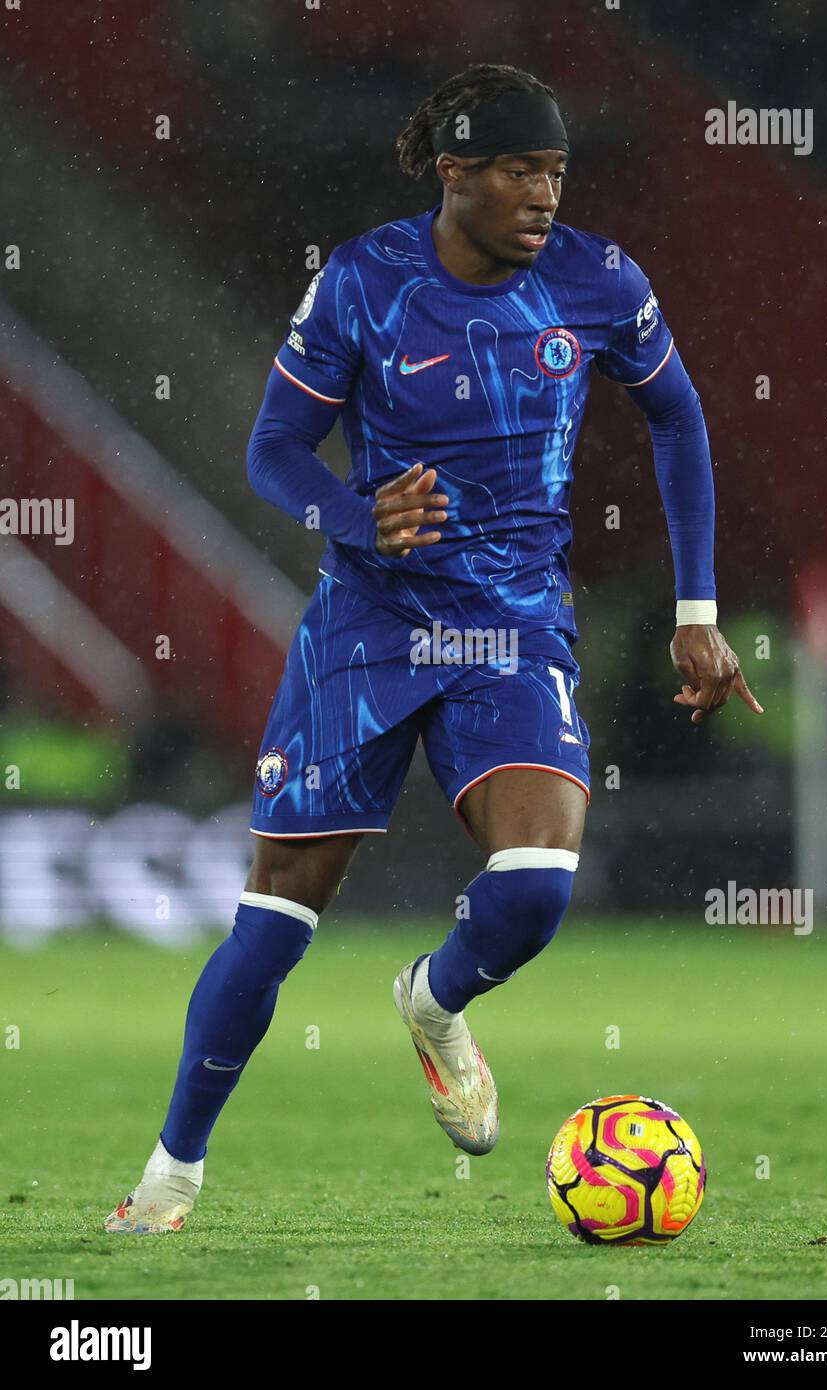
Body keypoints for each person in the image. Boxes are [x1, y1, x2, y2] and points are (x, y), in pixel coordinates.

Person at [105, 62, 761, 1235]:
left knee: (531, 894)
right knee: (274, 921)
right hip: (369, 626)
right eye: (519, 170)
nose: (543, 194)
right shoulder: (364, 283)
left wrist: (696, 612)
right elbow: (273, 453)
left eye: (555, 171)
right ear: (455, 173)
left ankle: (433, 995)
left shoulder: (598, 283)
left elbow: (679, 415)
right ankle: (171, 1175)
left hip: (512, 625)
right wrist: (359, 517)